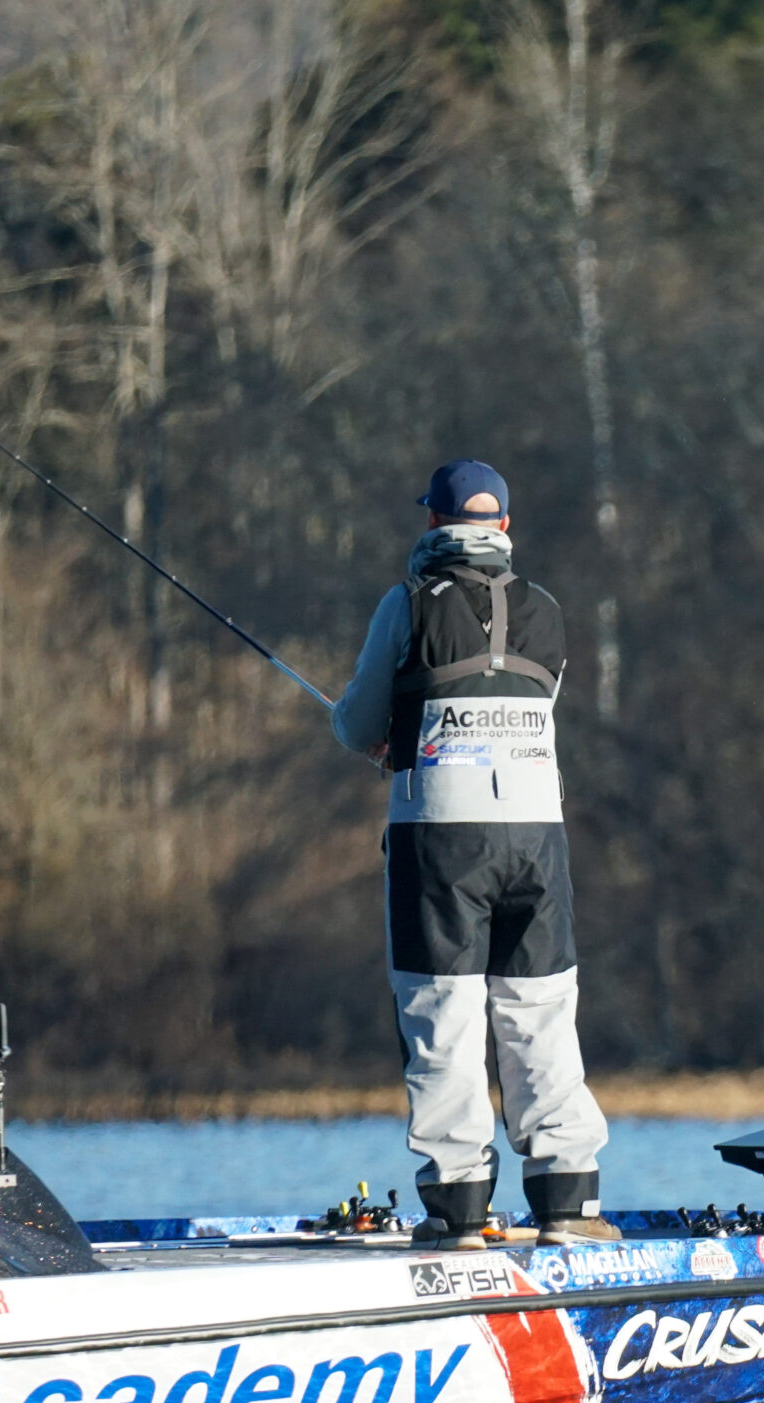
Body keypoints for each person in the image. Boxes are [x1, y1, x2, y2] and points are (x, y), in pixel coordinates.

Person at [330, 460, 618, 1249]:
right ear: (505, 530)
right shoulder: (548, 611)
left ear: (432, 527)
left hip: (440, 842)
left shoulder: (407, 603)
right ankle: (568, 1205)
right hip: (538, 839)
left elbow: (358, 726)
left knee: (443, 1012)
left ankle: (459, 1212)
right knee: (541, 1011)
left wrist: (375, 733)